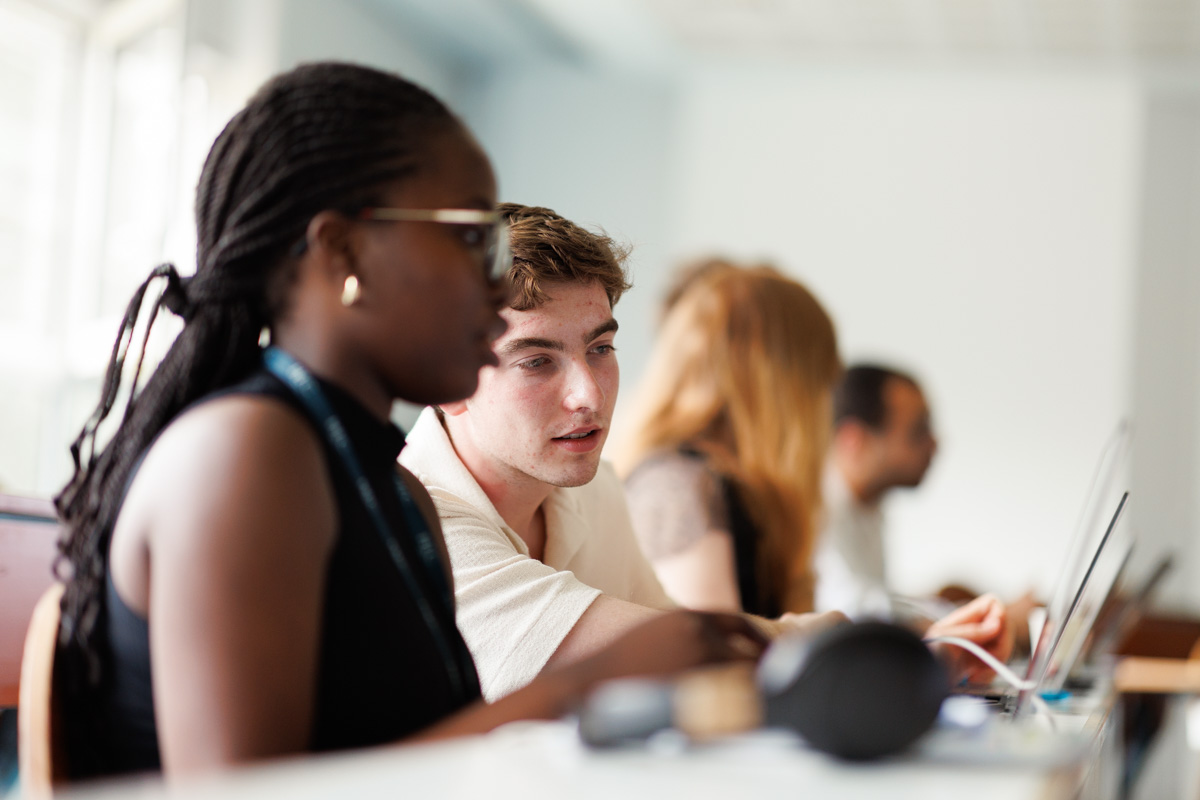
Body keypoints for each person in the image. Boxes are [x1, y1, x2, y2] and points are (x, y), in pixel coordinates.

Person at [52, 62, 766, 782]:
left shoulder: (395, 489)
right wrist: (580, 685)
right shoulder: (248, 454)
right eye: (467, 241)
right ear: (343, 255)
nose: (496, 290)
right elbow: (244, 795)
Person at [401, 215, 1007, 701]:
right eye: (537, 360)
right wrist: (891, 654)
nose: (589, 394)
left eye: (602, 347)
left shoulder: (596, 489)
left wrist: (905, 654)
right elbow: (687, 652)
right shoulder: (419, 522)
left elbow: (694, 642)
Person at [616, 264, 1011, 680]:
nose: (826, 402)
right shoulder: (679, 487)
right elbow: (717, 679)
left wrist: (933, 658)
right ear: (781, 383)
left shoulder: (748, 493)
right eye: (822, 378)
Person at [814, 364, 939, 621]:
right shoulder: (816, 508)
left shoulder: (868, 507)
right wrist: (963, 619)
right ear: (854, 440)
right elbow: (851, 609)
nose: (935, 444)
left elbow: (875, 598)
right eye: (918, 430)